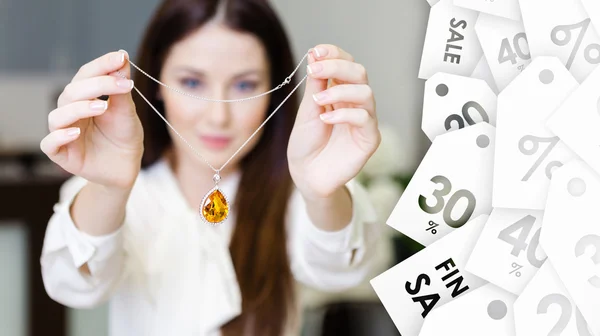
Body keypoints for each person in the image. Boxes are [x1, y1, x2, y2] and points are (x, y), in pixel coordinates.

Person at [39, 0, 382, 335]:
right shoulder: (114, 194)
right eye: (192, 83)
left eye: (245, 85)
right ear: (156, 84)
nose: (219, 116)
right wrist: (108, 189)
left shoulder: (298, 193)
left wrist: (323, 196)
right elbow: (73, 285)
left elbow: (342, 270)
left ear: (273, 93)